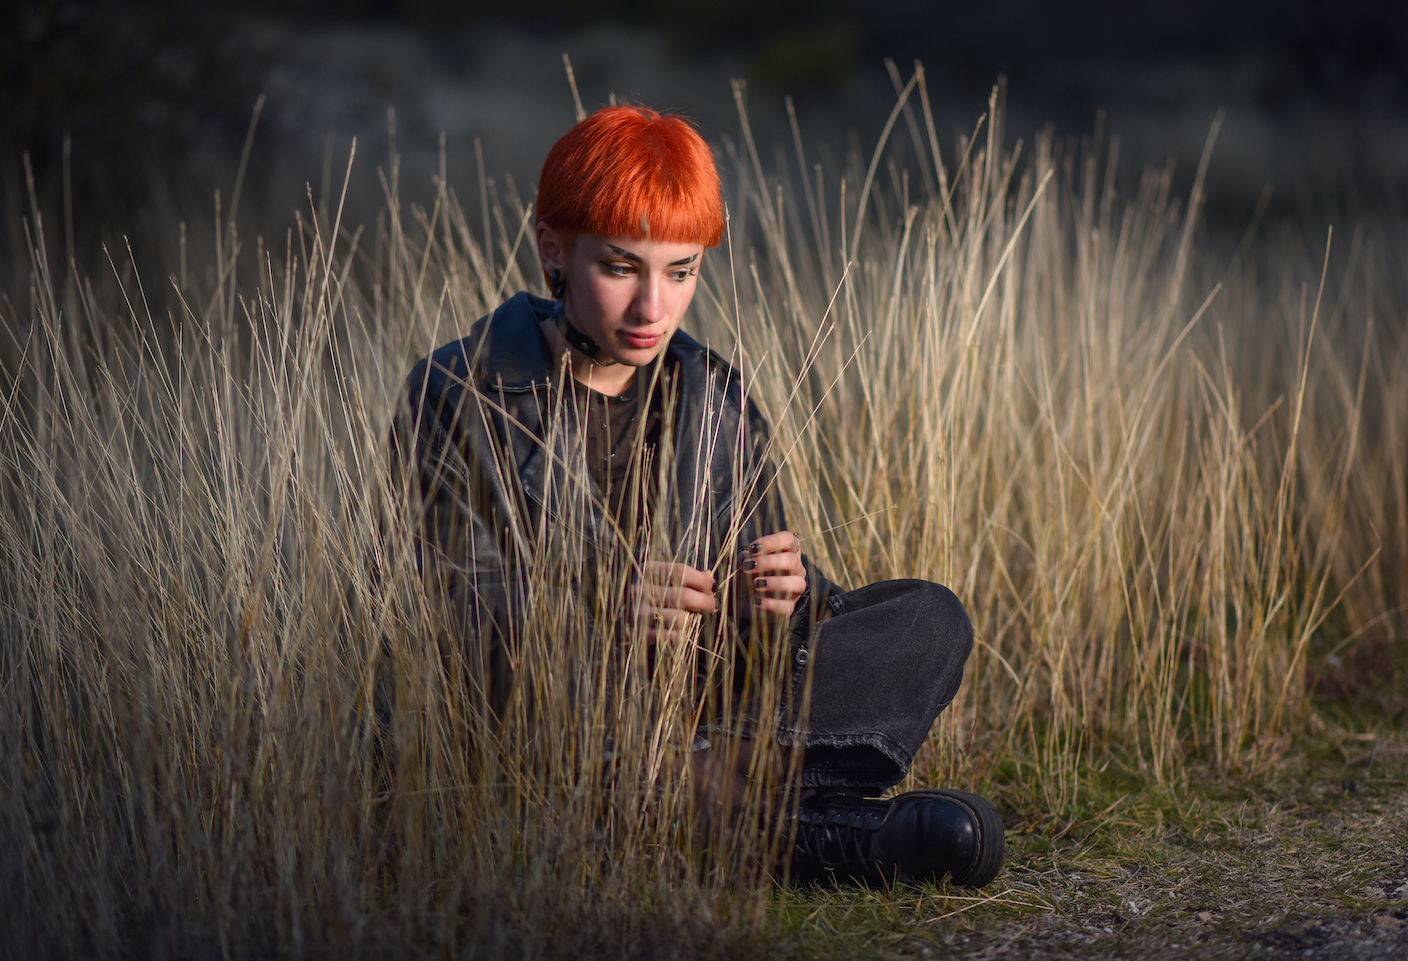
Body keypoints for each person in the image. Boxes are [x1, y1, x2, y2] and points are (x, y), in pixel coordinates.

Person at [395, 105, 1003, 887]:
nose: (654, 307)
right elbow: (432, 609)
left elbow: (784, 622)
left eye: (680, 272)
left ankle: (701, 798)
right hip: (550, 724)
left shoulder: (713, 395)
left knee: (928, 620)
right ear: (553, 250)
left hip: (713, 715)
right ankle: (811, 830)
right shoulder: (456, 391)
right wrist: (597, 601)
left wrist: (785, 592)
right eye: (621, 268)